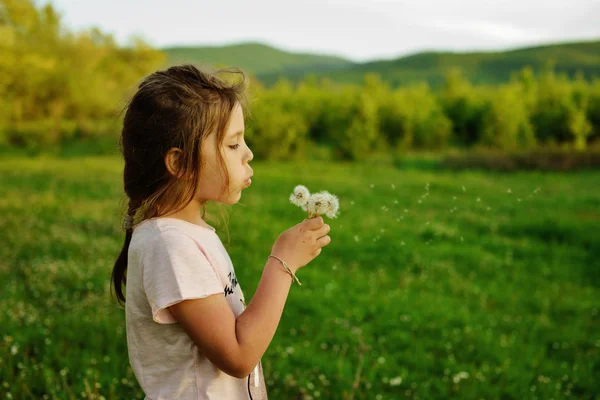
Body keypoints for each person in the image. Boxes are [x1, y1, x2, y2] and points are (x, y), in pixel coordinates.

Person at [110, 64, 332, 400]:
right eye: (232, 145)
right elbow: (239, 356)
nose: (249, 153)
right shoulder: (170, 246)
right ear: (180, 163)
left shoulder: (189, 233)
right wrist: (282, 264)